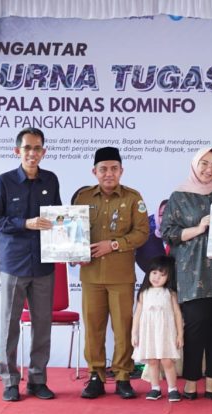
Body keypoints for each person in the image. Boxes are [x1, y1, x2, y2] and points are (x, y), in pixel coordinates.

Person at [0, 127, 61, 402]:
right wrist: (24, 223)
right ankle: (10, 382)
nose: (32, 153)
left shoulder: (51, 180)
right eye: (27, 148)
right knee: (10, 325)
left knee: (42, 325)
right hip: (14, 264)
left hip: (43, 264)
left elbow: (59, 218)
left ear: (44, 152)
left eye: (37, 148)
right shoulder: (4, 182)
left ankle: (38, 380)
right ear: (17, 151)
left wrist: (69, 241)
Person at [73, 146, 150, 399]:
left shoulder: (133, 198)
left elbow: (142, 233)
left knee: (122, 328)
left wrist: (114, 244)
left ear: (121, 171)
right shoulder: (83, 197)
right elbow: (71, 232)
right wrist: (72, 253)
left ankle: (123, 376)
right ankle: (95, 376)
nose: (109, 173)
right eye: (103, 169)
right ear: (94, 171)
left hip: (121, 277)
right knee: (93, 328)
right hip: (91, 276)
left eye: (114, 169)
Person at [161, 147, 212, 400]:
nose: (209, 169)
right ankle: (192, 379)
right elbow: (168, 233)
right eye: (204, 163)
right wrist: (199, 228)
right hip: (191, 271)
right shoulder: (179, 195)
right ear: (195, 165)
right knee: (195, 327)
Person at [131, 255, 184, 402]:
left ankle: (173, 389)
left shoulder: (170, 293)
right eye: (154, 273)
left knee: (167, 361)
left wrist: (180, 334)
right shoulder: (143, 293)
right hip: (149, 333)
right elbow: (137, 314)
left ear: (168, 277)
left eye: (162, 275)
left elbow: (177, 314)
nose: (157, 277)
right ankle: (155, 388)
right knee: (152, 361)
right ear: (148, 273)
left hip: (166, 333)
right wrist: (134, 333)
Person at [136, 200, 170, 272]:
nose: (166, 218)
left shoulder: (187, 237)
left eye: (171, 214)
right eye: (162, 214)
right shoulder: (147, 239)